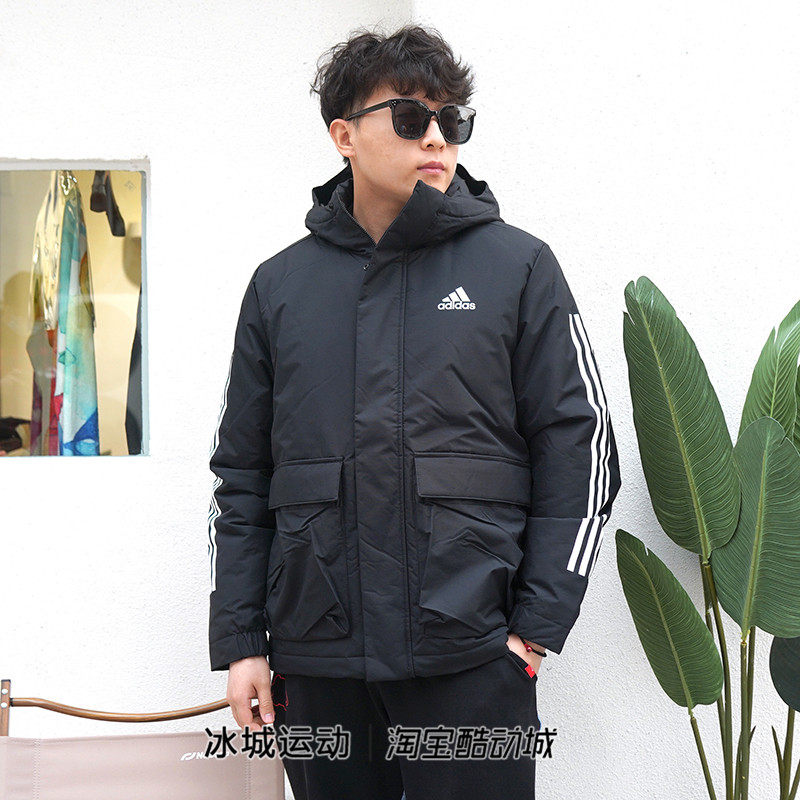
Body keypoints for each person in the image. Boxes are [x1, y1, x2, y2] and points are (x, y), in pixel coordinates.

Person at [207, 23, 622, 800]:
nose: (436, 137)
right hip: (319, 658)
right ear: (344, 136)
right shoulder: (280, 288)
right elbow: (242, 475)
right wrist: (242, 643)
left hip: (469, 655)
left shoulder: (517, 268)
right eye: (409, 117)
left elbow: (582, 448)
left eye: (450, 119)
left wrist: (533, 630)